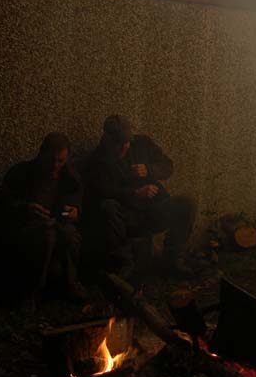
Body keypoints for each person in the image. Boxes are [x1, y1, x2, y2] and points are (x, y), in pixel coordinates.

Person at [83, 115, 197, 280]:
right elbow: (103, 192)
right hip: (127, 219)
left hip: (153, 211)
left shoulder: (142, 143)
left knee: (187, 202)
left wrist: (149, 170)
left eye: (126, 143)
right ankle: (123, 263)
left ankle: (172, 260)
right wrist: (134, 193)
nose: (123, 148)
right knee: (107, 206)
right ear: (106, 139)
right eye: (118, 144)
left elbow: (168, 166)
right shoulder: (97, 161)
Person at [0, 132, 87, 302]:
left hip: (58, 229)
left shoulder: (70, 178)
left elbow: (76, 204)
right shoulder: (20, 173)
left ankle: (71, 283)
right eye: (51, 160)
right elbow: (4, 205)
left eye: (60, 161)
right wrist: (26, 209)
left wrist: (74, 212)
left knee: (69, 234)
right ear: (41, 154)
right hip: (25, 230)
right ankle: (30, 294)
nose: (55, 166)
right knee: (47, 235)